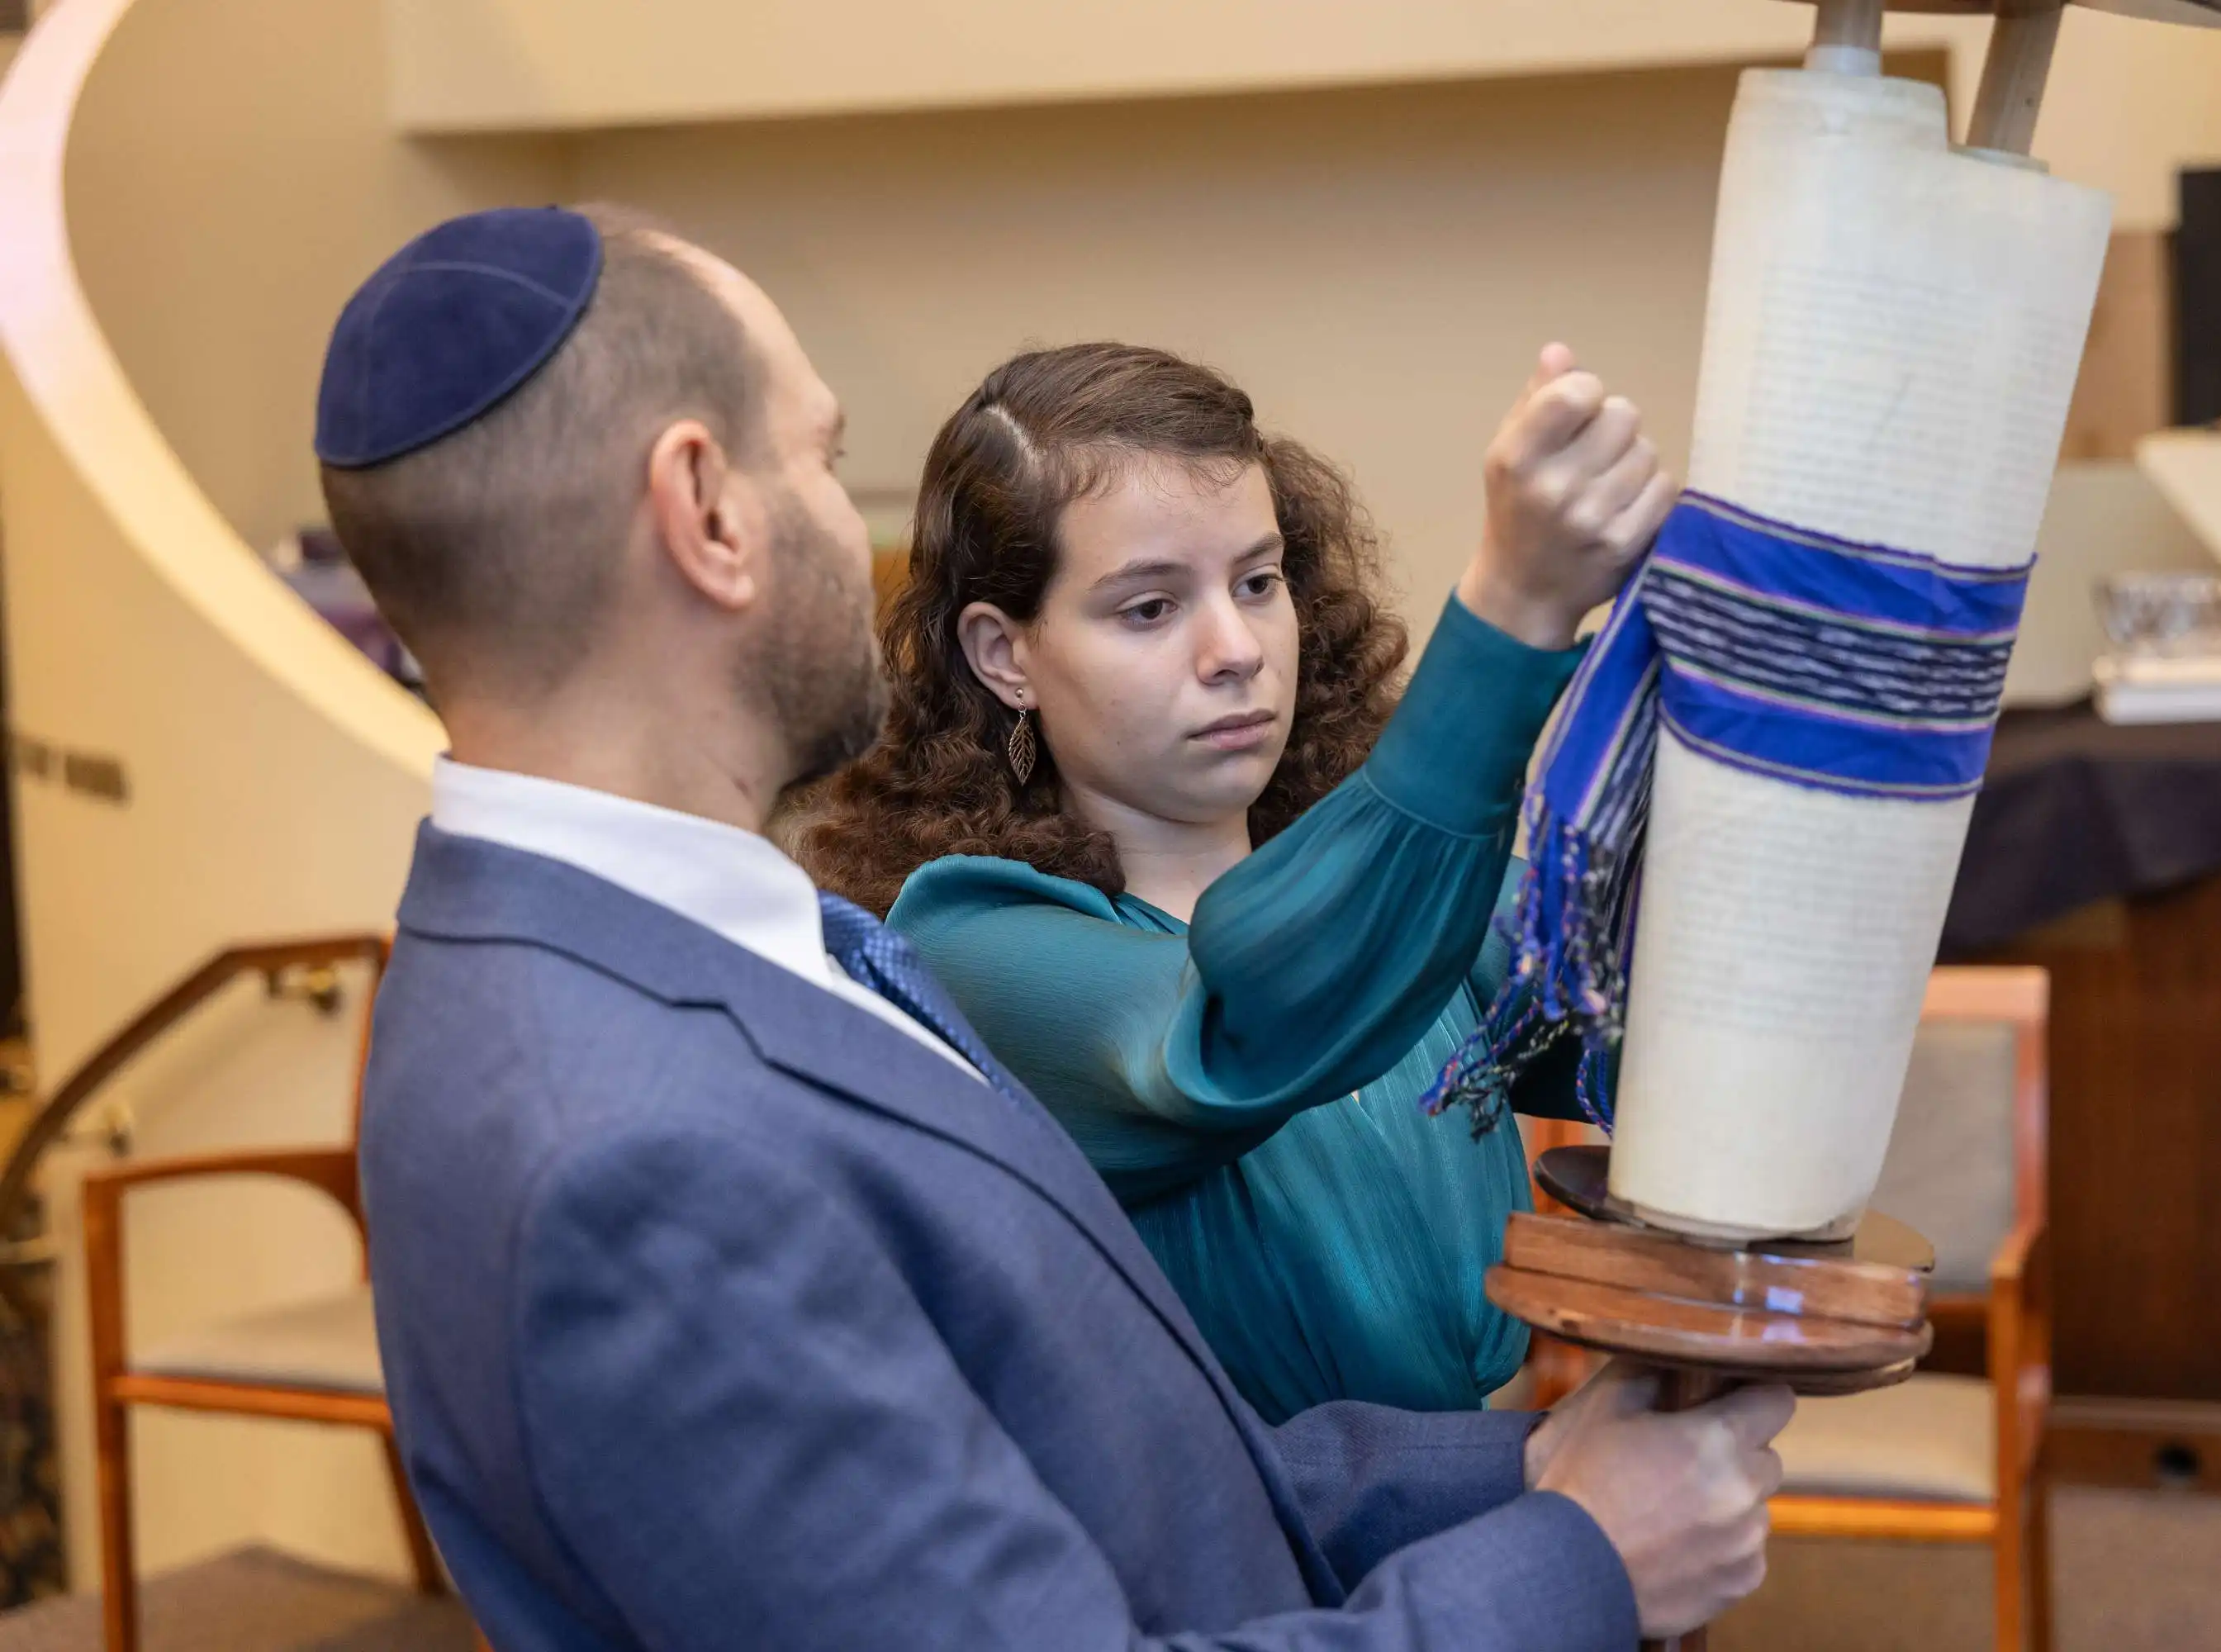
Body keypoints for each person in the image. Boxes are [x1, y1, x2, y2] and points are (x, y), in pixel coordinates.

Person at [327, 203, 1788, 1650]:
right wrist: (1573, 1563)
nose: (862, 524)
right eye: (828, 460)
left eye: (1258, 584)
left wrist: (1533, 1476)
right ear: (708, 511)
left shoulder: (700, 972)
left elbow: (1143, 1466)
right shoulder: (625, 1147)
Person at [784, 341, 1669, 1421]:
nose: (1236, 647)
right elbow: (1245, 1033)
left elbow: (1658, 1039)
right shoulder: (972, 945)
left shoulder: (1402, 905)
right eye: (1149, 608)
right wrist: (1512, 604)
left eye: (1258, 582)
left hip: (1505, 1511)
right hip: (1245, 1570)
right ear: (1004, 655)